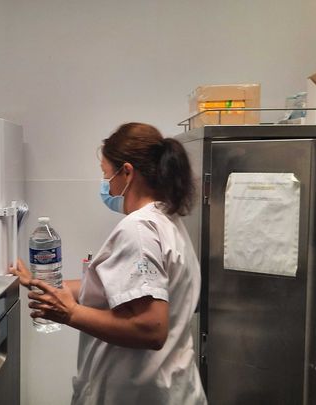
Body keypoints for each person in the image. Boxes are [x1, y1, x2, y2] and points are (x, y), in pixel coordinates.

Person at [10, 122, 207, 404]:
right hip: (165, 388)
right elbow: (114, 288)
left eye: (106, 174)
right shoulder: (166, 220)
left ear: (127, 172)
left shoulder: (139, 230)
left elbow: (152, 327)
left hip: (141, 394)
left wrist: (70, 314)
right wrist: (42, 283)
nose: (106, 185)